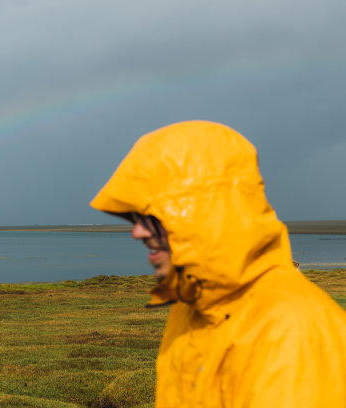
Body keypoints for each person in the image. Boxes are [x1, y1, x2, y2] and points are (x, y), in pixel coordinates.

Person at [90, 120, 346, 407]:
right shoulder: (188, 310)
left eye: (152, 215)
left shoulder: (295, 333)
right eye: (135, 217)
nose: (138, 232)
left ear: (206, 212)